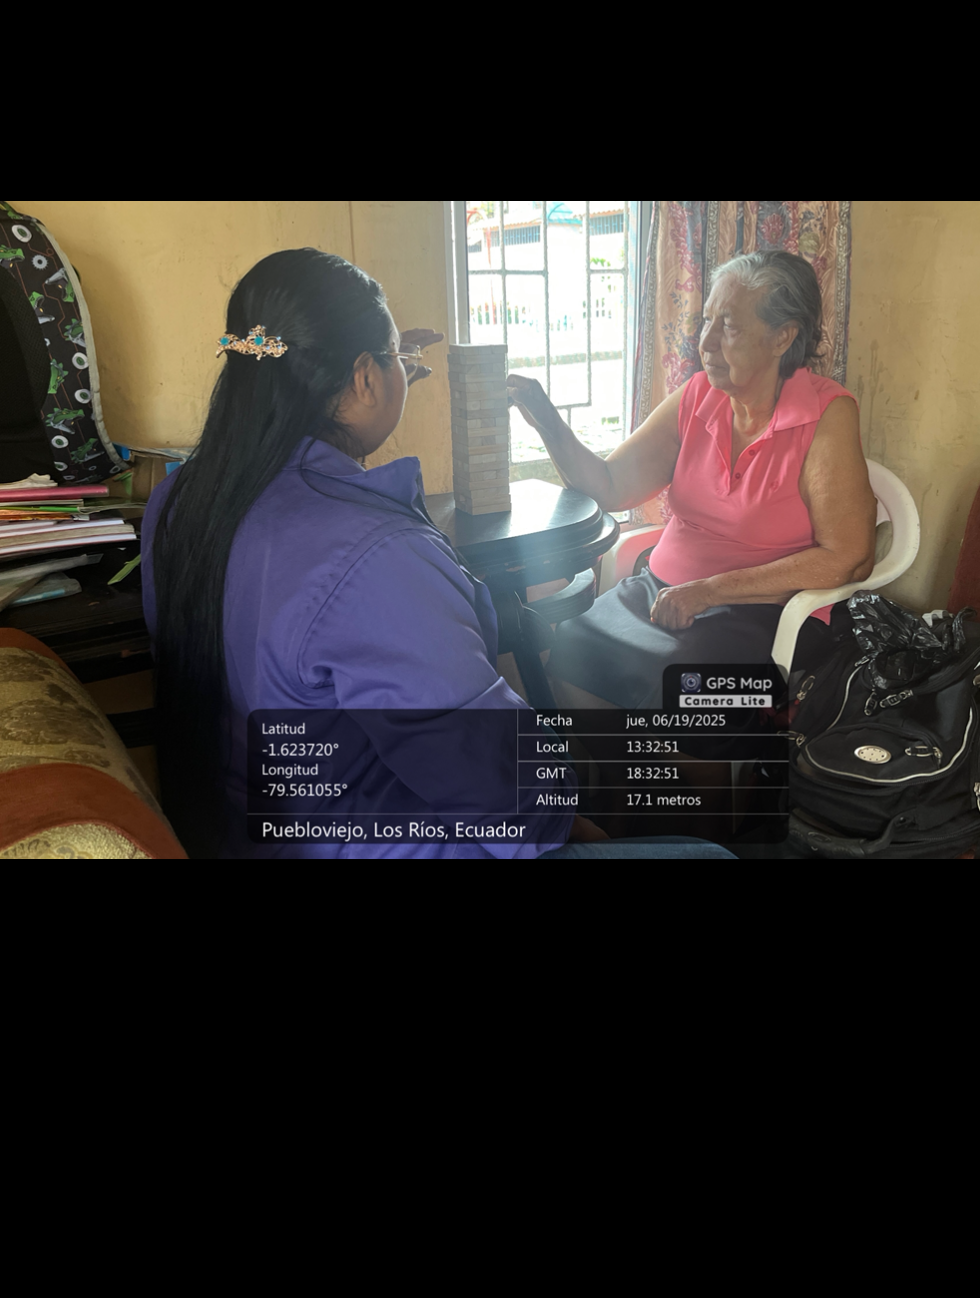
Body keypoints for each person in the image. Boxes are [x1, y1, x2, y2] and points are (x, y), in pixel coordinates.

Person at [140, 248, 736, 860]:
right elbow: (489, 774)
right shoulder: (376, 557)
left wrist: (390, 364)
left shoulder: (181, 501)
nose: (711, 340)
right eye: (396, 358)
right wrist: (562, 818)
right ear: (365, 378)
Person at [507, 250, 878, 710]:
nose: (706, 342)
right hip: (662, 590)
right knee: (573, 643)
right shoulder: (699, 395)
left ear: (783, 337)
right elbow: (610, 485)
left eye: (730, 327)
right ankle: (623, 760)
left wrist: (709, 590)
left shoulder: (826, 414)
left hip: (766, 612)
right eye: (707, 321)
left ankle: (678, 760)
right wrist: (547, 421)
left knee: (683, 690)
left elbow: (850, 557)